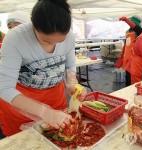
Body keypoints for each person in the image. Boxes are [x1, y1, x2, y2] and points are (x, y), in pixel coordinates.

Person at [0, 0, 86, 138]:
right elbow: (4, 88)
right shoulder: (15, 38)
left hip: (56, 99)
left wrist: (71, 84)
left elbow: (69, 66)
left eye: (60, 41)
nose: (53, 45)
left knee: (61, 138)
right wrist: (44, 112)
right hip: (23, 105)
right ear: (33, 24)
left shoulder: (69, 36)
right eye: (46, 41)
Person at [117, 16, 142, 86]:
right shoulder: (128, 31)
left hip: (134, 60)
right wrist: (122, 56)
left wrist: (126, 20)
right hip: (127, 59)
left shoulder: (140, 31)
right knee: (127, 78)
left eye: (132, 22)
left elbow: (136, 27)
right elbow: (126, 45)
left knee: (133, 79)